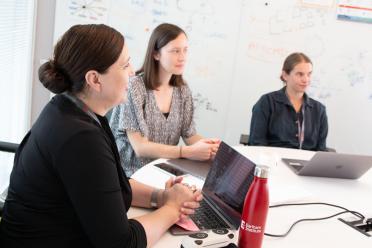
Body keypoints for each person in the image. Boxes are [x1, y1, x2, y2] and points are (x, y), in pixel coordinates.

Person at [0, 24, 202, 248]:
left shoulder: (73, 109)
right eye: (125, 65)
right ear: (95, 80)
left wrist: (161, 197)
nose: (133, 72)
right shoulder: (80, 138)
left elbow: (106, 188)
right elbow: (121, 244)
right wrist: (172, 209)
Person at [110, 23, 220, 176]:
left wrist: (212, 148)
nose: (182, 57)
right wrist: (186, 152)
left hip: (163, 172)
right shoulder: (135, 86)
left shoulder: (183, 91)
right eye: (175, 51)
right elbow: (140, 147)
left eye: (185, 50)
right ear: (156, 54)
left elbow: (190, 135)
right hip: (129, 174)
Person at [248, 52, 328, 151]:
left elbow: (321, 150)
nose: (306, 79)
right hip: (273, 162)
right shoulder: (267, 102)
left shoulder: (319, 110)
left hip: (307, 164)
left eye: (309, 74)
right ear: (285, 75)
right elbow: (257, 143)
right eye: (300, 74)